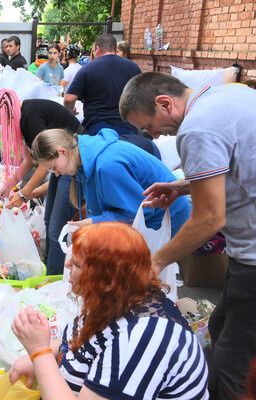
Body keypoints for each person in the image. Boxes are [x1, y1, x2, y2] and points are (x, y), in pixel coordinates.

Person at [120, 71, 256, 399]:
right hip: (246, 257)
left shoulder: (196, 128)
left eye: (150, 126)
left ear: (165, 103)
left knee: (231, 365)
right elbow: (238, 163)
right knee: (222, 328)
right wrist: (182, 187)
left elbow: (209, 218)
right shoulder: (231, 95)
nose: (154, 135)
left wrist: (155, 261)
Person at [9, 222, 208, 399]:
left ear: (107, 281)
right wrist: (50, 351)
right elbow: (84, 341)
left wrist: (39, 352)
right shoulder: (118, 297)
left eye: (77, 264)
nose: (67, 264)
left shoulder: (140, 338)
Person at [0, 89, 84, 274]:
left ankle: (54, 278)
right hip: (61, 165)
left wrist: (23, 194)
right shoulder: (22, 117)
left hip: (72, 165)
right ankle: (50, 273)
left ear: (4, 109)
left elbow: (44, 164)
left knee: (56, 229)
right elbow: (29, 160)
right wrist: (9, 185)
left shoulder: (29, 117)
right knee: (49, 221)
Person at [31, 128, 191, 234]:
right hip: (152, 220)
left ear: (62, 152)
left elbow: (139, 212)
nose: (56, 174)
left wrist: (93, 222)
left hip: (165, 221)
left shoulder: (107, 166)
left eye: (53, 167)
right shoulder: (85, 159)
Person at [64, 34, 160, 158]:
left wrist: (71, 110)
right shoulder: (133, 67)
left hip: (96, 128)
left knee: (99, 161)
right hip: (127, 126)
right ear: (115, 49)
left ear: (97, 49)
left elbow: (69, 99)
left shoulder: (88, 68)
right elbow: (144, 96)